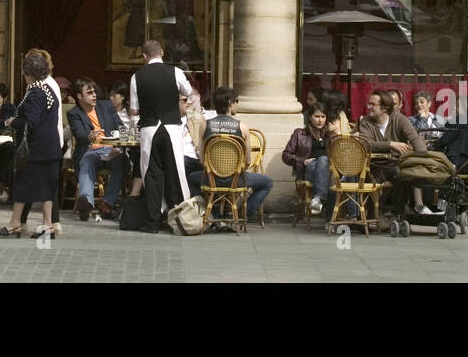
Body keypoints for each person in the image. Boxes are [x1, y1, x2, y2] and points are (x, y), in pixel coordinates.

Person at [0, 50, 63, 238]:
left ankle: (15, 223)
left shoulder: (36, 92)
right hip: (50, 147)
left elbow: (31, 122)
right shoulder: (49, 89)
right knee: (46, 188)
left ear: (29, 73)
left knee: (22, 184)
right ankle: (47, 225)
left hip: (36, 148)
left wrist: (12, 122)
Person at [129, 38, 192, 233]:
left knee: (151, 174)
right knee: (176, 172)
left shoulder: (136, 76)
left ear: (144, 56)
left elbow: (133, 109)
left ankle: (152, 222)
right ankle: (180, 219)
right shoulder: (176, 72)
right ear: (162, 52)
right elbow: (187, 91)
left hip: (149, 128)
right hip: (172, 126)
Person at [195, 86, 273, 226]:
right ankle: (242, 215)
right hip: (235, 180)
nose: (238, 104)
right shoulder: (242, 127)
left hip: (210, 178)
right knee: (267, 182)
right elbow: (248, 160)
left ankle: (213, 215)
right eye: (236, 101)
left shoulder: (205, 126)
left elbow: (202, 160)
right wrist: (236, 172)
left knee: (190, 178)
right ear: (230, 103)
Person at [358, 90, 427, 223]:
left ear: (384, 108)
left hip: (396, 163)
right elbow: (365, 144)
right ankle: (374, 216)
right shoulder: (366, 121)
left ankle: (398, 214)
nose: (369, 107)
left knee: (402, 175)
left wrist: (422, 157)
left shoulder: (399, 119)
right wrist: (390, 144)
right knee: (369, 177)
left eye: (373, 104)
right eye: (369, 104)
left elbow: (414, 138)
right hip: (375, 164)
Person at [67, 78, 125, 220]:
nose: (94, 95)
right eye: (89, 93)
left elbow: (119, 126)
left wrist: (116, 140)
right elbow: (79, 134)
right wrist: (88, 136)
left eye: (94, 92)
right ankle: (86, 203)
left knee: (122, 163)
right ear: (80, 96)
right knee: (87, 162)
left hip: (111, 149)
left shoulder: (106, 106)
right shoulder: (74, 113)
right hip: (91, 150)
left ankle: (107, 203)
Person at [283, 103, 333, 215]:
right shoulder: (300, 133)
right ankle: (324, 206)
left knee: (329, 173)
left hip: (328, 171)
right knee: (324, 160)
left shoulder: (330, 135)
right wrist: (303, 161)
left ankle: (318, 201)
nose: (320, 120)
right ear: (310, 117)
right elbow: (286, 155)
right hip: (309, 169)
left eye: (323, 117)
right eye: (317, 116)